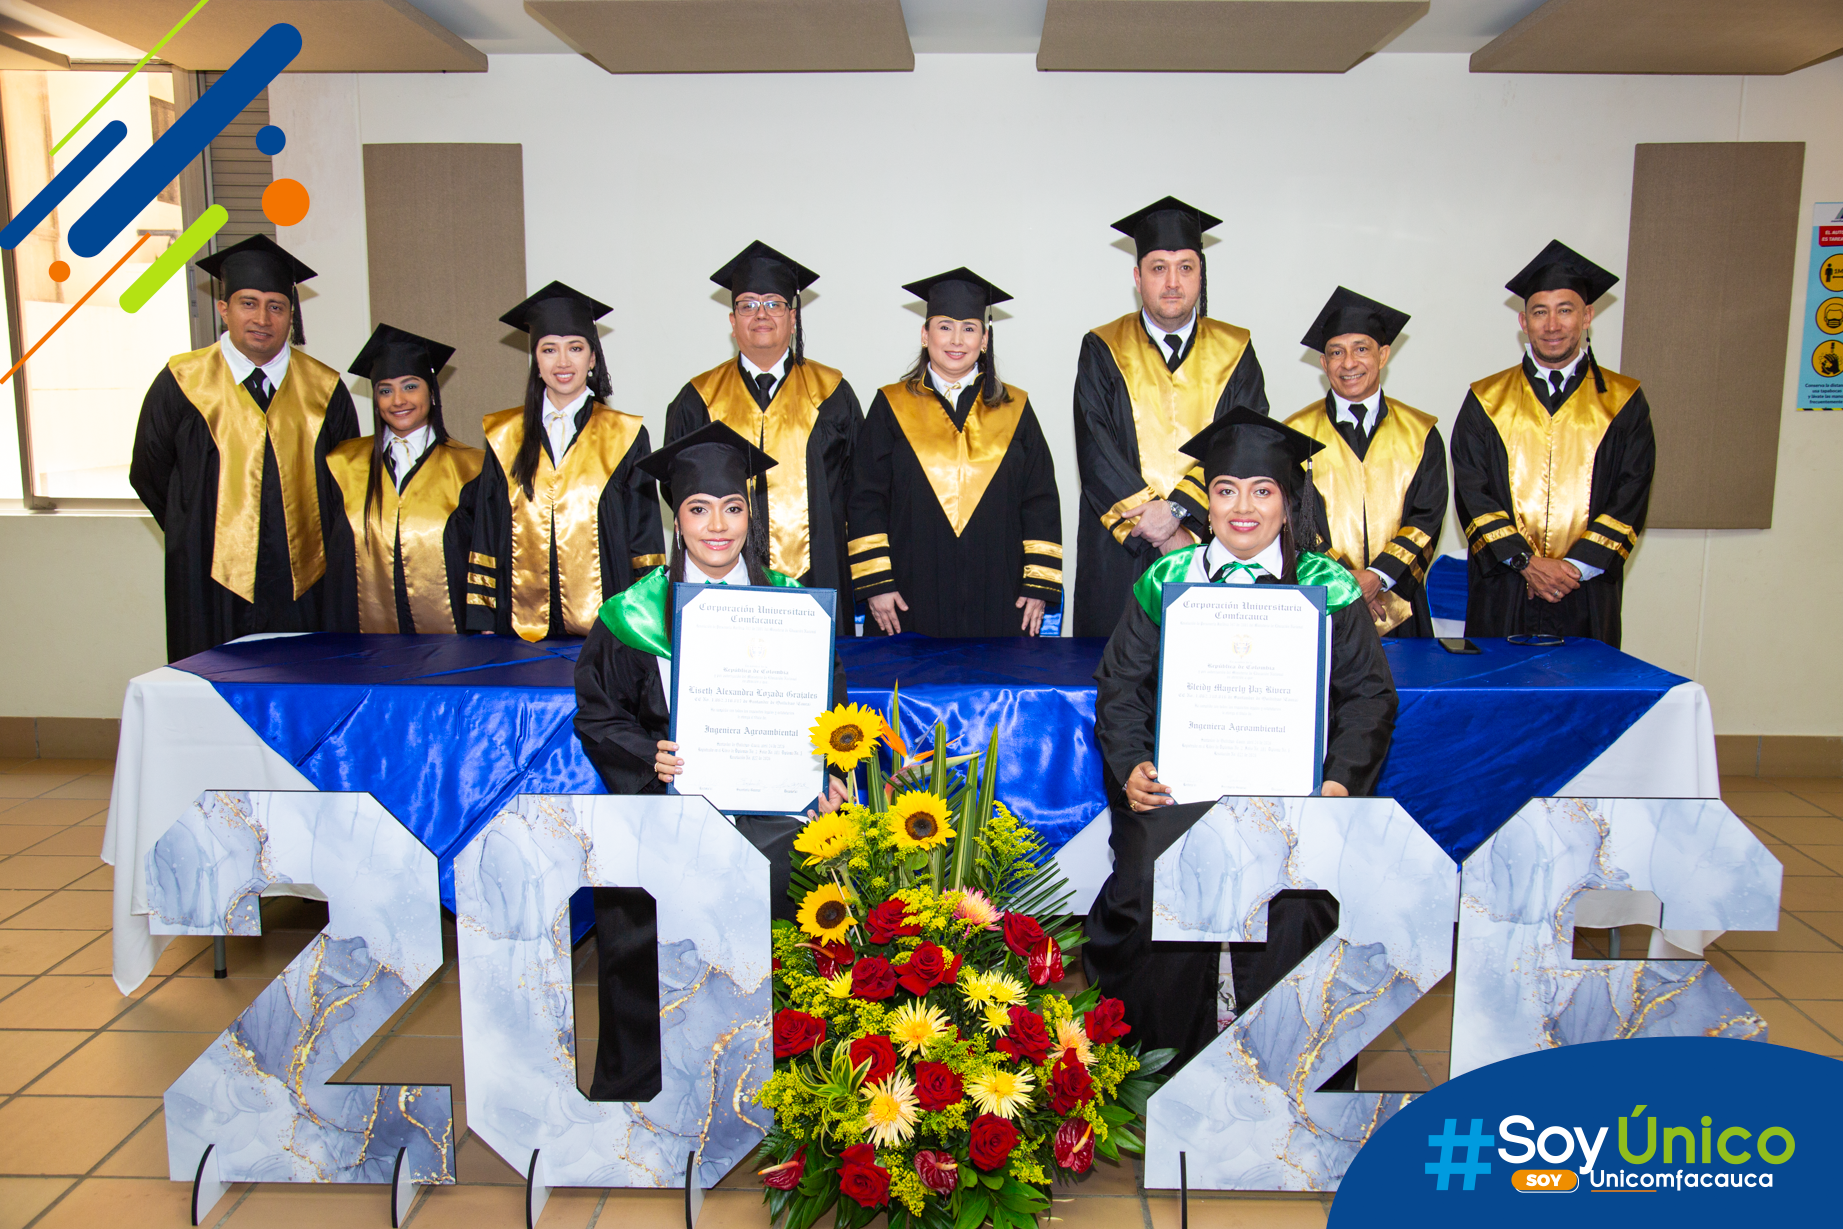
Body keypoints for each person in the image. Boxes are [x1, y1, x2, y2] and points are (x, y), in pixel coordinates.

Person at [1084, 409, 1396, 1072]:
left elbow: (1368, 699)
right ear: (1209, 500)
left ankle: (1281, 1067)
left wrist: (1337, 783)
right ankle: (1162, 1069)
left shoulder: (1330, 585)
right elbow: (1120, 688)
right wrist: (1133, 764)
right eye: (1226, 490)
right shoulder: (1166, 581)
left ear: (1287, 502)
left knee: (1295, 894)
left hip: (1290, 797)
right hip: (1178, 791)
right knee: (1148, 884)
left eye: (1262, 490)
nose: (1243, 507)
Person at [573, 421, 848, 1101]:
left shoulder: (792, 602)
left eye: (732, 508)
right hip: (671, 807)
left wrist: (833, 774)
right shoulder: (630, 614)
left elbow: (831, 710)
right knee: (634, 894)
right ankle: (651, 1086)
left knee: (805, 876)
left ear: (750, 512)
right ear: (677, 516)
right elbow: (598, 714)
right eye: (698, 509)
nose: (716, 526)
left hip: (774, 808)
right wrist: (651, 754)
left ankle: (799, 1086)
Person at [130, 234, 360, 661]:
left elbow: (348, 487)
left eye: (276, 306)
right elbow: (149, 471)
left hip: (306, 584)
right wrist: (195, 530)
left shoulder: (325, 390)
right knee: (214, 695)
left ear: (292, 315)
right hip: (210, 580)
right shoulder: (182, 382)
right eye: (248, 303)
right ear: (224, 309)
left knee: (302, 694)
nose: (262, 318)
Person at [1072, 196, 1269, 637]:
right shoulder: (1102, 348)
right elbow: (1094, 447)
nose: (1173, 282)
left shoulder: (1235, 350)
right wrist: (1158, 529)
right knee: (1118, 683)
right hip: (1120, 548)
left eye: (1185, 266)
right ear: (1138, 277)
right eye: (1159, 268)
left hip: (1209, 544)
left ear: (1201, 274)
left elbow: (1246, 445)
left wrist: (1179, 514)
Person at [1451, 240, 1655, 647]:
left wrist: (1575, 569)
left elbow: (1630, 495)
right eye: (1540, 312)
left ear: (1587, 316)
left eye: (1565, 309)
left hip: (1586, 590)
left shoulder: (1623, 401)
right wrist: (1527, 564)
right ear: (1524, 322)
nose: (1552, 324)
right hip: (1505, 587)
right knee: (1498, 700)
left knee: (1583, 702)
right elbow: (1473, 493)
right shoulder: (1487, 399)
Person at [848, 268, 1063, 638]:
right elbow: (865, 499)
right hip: (907, 599)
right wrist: (877, 583)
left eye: (969, 328)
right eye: (945, 326)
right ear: (924, 334)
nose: (956, 339)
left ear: (984, 339)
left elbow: (1040, 500)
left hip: (999, 595)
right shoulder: (890, 406)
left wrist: (1037, 586)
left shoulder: (1016, 408)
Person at [664, 241, 862, 627]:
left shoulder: (833, 392)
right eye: (748, 304)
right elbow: (677, 489)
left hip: (817, 577)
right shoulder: (699, 397)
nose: (761, 314)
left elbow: (860, 488)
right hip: (721, 582)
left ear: (792, 317)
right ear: (732, 320)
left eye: (773, 303)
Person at [465, 282, 665, 640]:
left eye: (575, 348)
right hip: (518, 622)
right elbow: (486, 528)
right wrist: (482, 620)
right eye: (548, 349)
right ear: (535, 360)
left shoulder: (626, 434)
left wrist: (647, 620)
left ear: (592, 359)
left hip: (606, 625)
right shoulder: (503, 434)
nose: (562, 362)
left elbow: (644, 538)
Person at [1282, 287, 1446, 637]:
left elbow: (1427, 517)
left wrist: (1378, 577)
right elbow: (1294, 521)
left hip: (1401, 603)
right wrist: (1348, 583)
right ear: (1323, 363)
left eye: (1361, 349)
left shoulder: (1421, 433)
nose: (1349, 363)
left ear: (1383, 355)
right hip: (1323, 606)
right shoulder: (1293, 435)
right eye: (1336, 353)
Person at [323, 325, 484, 634]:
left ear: (432, 392)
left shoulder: (471, 467)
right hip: (362, 643)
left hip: (453, 643)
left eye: (410, 386)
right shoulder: (342, 464)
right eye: (385, 390)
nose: (398, 400)